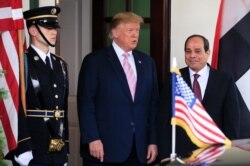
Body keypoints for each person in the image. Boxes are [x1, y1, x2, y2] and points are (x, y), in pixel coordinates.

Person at [77, 11, 159, 165]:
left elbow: (153, 105)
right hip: (104, 149)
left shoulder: (147, 63)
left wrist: (152, 141)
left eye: (137, 30)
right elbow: (86, 103)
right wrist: (92, 138)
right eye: (130, 31)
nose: (135, 35)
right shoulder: (95, 61)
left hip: (139, 149)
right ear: (114, 33)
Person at [157, 34, 240, 162]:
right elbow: (163, 119)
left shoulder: (225, 80)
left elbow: (231, 121)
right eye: (188, 51)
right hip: (180, 154)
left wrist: (230, 156)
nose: (192, 55)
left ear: (208, 52)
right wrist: (164, 154)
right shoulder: (174, 79)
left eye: (197, 51)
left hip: (215, 154)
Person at [12, 6, 69, 166]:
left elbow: (62, 108)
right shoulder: (22, 62)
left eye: (55, 28)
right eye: (48, 27)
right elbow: (15, 107)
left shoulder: (60, 64)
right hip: (32, 145)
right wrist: (23, 147)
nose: (54, 32)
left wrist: (66, 147)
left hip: (57, 146)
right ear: (33, 31)